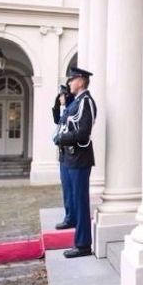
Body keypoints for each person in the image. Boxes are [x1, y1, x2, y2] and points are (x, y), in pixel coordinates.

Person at [53, 66, 97, 258]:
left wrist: (62, 138)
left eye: (72, 80)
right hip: (70, 156)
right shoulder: (76, 102)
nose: (69, 83)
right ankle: (77, 231)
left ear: (80, 81)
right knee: (73, 197)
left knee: (80, 201)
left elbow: (83, 132)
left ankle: (83, 244)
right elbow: (62, 121)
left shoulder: (86, 102)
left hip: (79, 157)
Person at [52, 78, 75, 231]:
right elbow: (57, 120)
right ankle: (69, 215)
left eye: (62, 95)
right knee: (66, 188)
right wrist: (58, 105)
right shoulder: (64, 110)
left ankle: (71, 217)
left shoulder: (71, 109)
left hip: (70, 153)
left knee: (70, 188)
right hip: (63, 153)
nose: (60, 97)